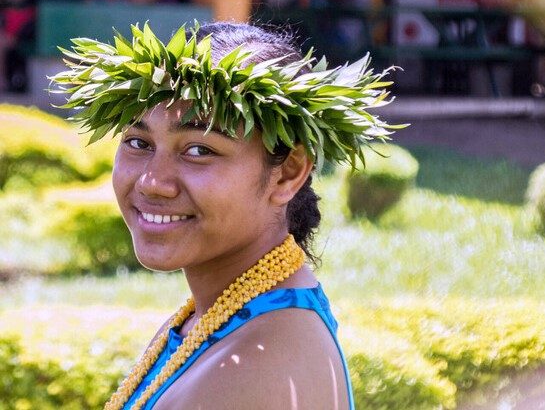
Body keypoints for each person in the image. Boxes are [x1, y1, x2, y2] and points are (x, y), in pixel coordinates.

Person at [51, 21, 398, 409]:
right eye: (138, 142)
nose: (152, 182)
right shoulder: (218, 317)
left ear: (287, 172)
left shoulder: (254, 367)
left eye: (199, 150)